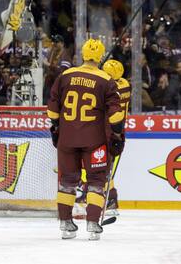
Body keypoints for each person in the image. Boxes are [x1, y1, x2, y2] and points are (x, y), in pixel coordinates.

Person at [47, 39, 122, 240]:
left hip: (67, 138)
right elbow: (116, 115)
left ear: (83, 54)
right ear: (100, 57)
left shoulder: (65, 76)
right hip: (94, 140)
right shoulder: (106, 80)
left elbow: (52, 110)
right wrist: (117, 134)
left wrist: (55, 128)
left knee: (67, 181)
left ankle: (65, 224)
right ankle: (92, 223)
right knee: (97, 180)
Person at [100, 59, 131, 215]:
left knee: (102, 167)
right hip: (119, 129)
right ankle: (108, 198)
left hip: (109, 130)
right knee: (104, 166)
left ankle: (110, 199)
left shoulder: (111, 88)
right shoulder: (125, 83)